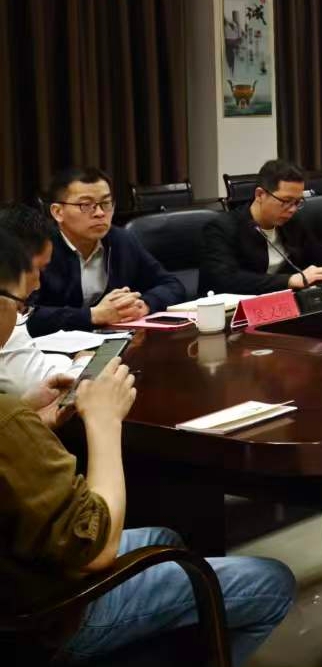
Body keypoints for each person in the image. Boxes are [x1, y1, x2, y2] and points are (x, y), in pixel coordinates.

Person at [0, 228, 297, 665]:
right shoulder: (7, 420)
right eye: (22, 305)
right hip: (49, 612)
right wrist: (104, 423)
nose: (19, 320)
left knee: (165, 537)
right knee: (272, 582)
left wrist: (33, 419)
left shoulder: (12, 417)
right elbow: (95, 546)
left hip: (21, 570)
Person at [31, 167, 187, 336]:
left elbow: (172, 285)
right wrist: (92, 315)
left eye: (106, 203)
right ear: (58, 212)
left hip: (114, 340)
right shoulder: (38, 250)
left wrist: (143, 304)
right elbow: (25, 316)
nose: (100, 213)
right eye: (86, 205)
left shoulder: (121, 240)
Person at [200, 159, 322, 296]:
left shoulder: (292, 223)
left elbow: (320, 254)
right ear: (260, 195)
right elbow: (225, 280)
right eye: (286, 201)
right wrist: (289, 280)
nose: (292, 209)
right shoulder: (221, 228)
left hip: (281, 305)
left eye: (297, 202)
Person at [0, 204, 79, 397]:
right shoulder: (6, 303)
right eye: (39, 268)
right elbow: (30, 384)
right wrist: (83, 362)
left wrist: (27, 407)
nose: (37, 285)